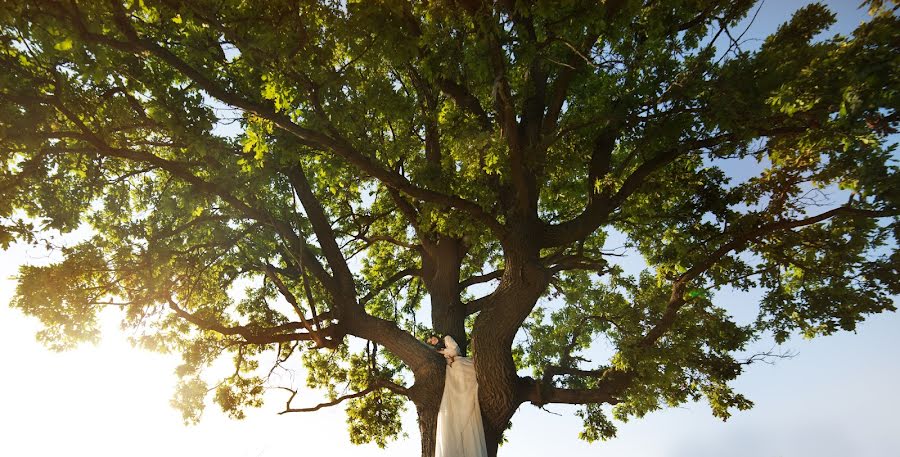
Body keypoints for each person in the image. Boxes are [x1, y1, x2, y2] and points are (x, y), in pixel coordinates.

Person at [429, 334, 488, 457]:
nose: (433, 342)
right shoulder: (438, 349)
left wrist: (444, 351)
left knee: (464, 387)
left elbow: (455, 350)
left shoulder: (446, 338)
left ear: (435, 337)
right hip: (452, 368)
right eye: (431, 342)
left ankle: (467, 403)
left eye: (433, 339)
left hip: (460, 364)